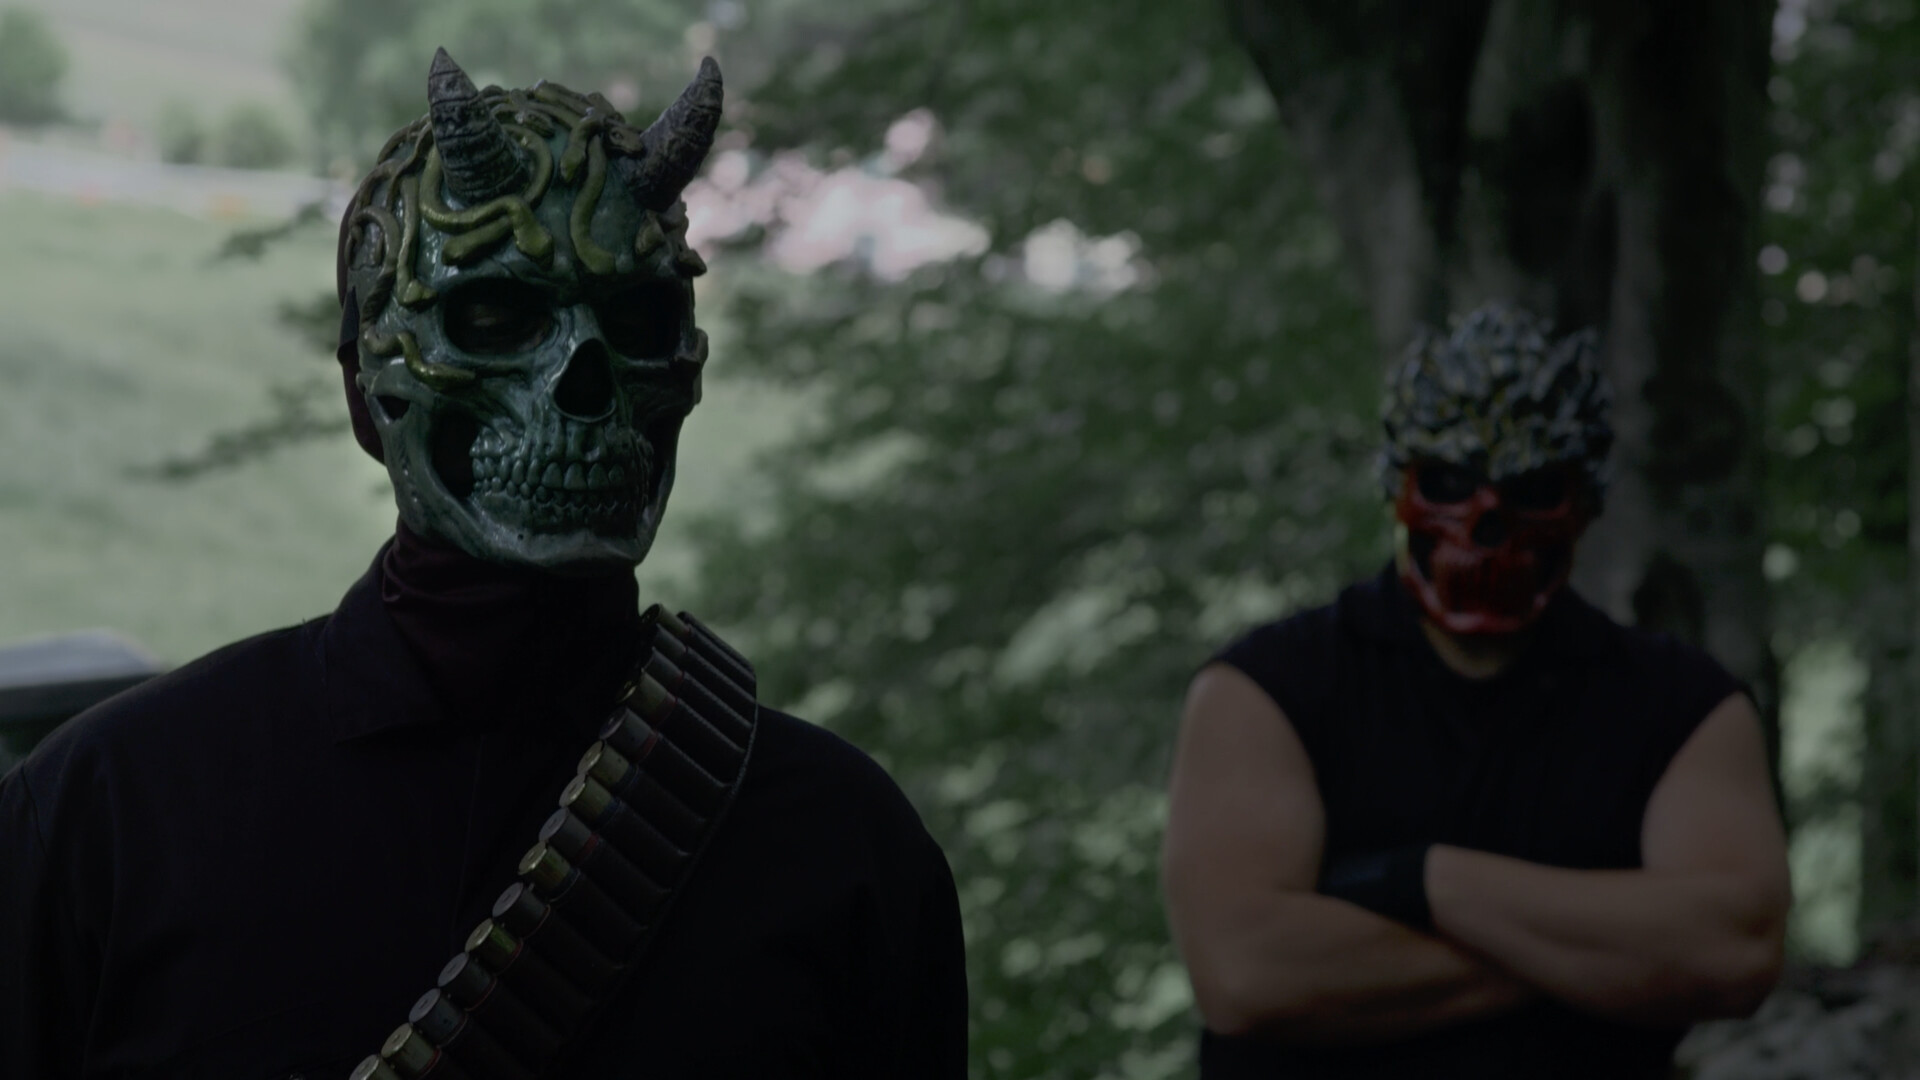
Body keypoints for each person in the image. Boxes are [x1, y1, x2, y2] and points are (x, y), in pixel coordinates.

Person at [0, 51, 967, 1080]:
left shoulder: (838, 846)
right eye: (497, 320)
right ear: (368, 389)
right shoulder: (112, 818)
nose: (586, 384)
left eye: (636, 322)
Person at [1161, 303, 1790, 1078]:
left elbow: (1731, 952)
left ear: (1582, 501)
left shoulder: (1682, 704)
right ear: (1402, 487)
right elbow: (1246, 974)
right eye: (1451, 484)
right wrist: (1598, 960)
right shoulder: (1269, 687)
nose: (1487, 524)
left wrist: (1419, 880)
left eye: (1532, 489)